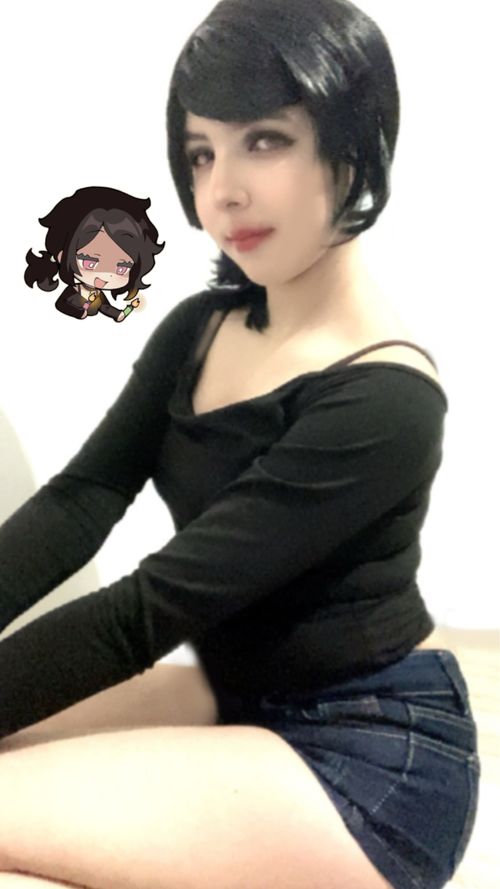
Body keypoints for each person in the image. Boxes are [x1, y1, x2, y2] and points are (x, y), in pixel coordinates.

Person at [0, 1, 479, 887]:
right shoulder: (200, 328)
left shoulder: (386, 400)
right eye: (201, 152)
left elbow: (151, 609)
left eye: (265, 141)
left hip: (369, 757)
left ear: (351, 146)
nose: (222, 190)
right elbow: (81, 498)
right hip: (236, 700)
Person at [24, 186, 164, 321]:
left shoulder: (99, 295)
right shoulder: (73, 291)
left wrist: (129, 309)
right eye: (89, 262)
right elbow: (61, 305)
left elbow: (107, 309)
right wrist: (84, 308)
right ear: (62, 256)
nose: (105, 276)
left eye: (122, 268)